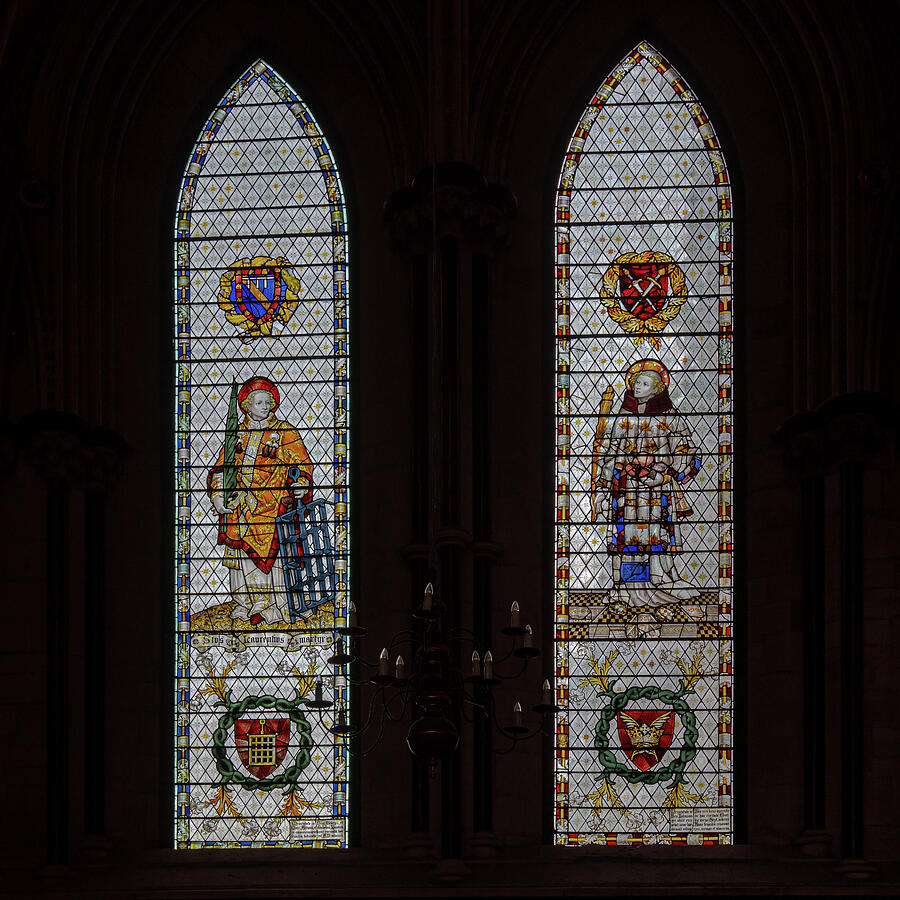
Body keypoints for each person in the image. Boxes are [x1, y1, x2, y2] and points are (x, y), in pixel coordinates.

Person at [590, 359, 701, 608]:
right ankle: (627, 589)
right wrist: (605, 481)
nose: (638, 386)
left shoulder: (670, 417)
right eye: (636, 382)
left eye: (644, 383)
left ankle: (659, 580)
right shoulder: (622, 418)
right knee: (627, 535)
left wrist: (668, 467)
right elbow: (610, 452)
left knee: (655, 534)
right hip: (626, 489)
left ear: (657, 389)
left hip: (656, 488)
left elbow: (686, 449)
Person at [207, 377, 313, 626]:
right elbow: (221, 470)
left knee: (273, 547)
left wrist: (301, 484)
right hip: (242, 505)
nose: (266, 406)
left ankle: (275, 605)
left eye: (269, 402)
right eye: (260, 402)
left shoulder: (285, 432)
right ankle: (246, 602)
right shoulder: (237, 435)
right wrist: (218, 496)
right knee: (240, 550)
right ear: (246, 405)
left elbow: (301, 465)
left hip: (271, 504)